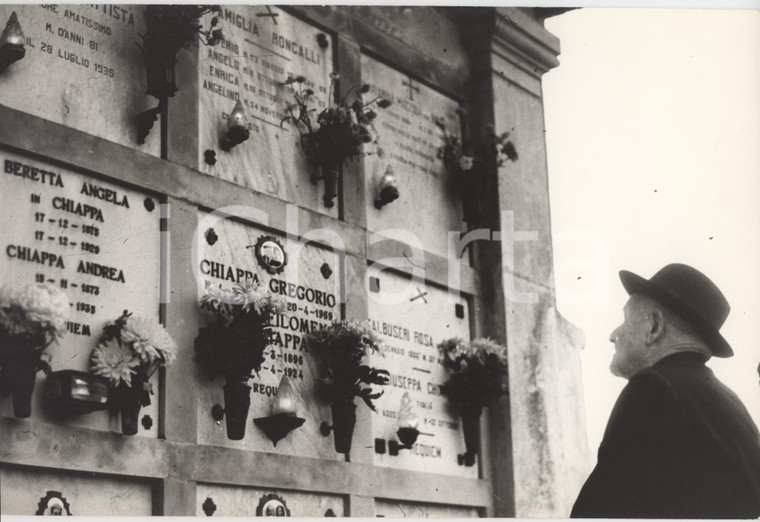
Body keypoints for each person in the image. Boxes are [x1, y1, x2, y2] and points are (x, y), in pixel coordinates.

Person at [571, 263, 760, 518]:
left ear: (654, 327)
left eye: (625, 319)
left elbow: (596, 511)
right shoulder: (731, 402)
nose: (612, 334)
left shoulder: (653, 387)